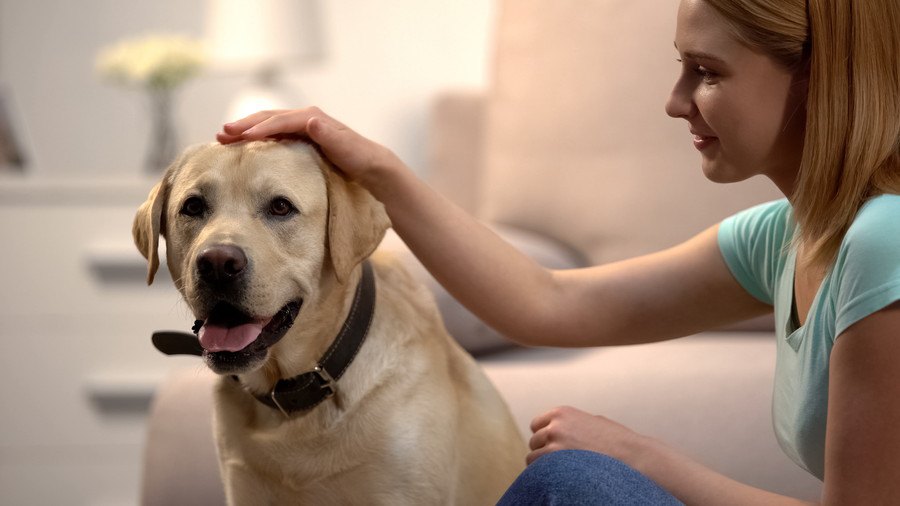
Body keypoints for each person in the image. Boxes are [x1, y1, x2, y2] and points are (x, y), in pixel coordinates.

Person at [216, 0, 900, 503]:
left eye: (706, 72)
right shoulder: (785, 236)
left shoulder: (885, 239)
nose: (675, 101)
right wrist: (380, 171)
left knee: (575, 484)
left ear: (818, 78)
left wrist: (641, 456)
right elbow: (551, 301)